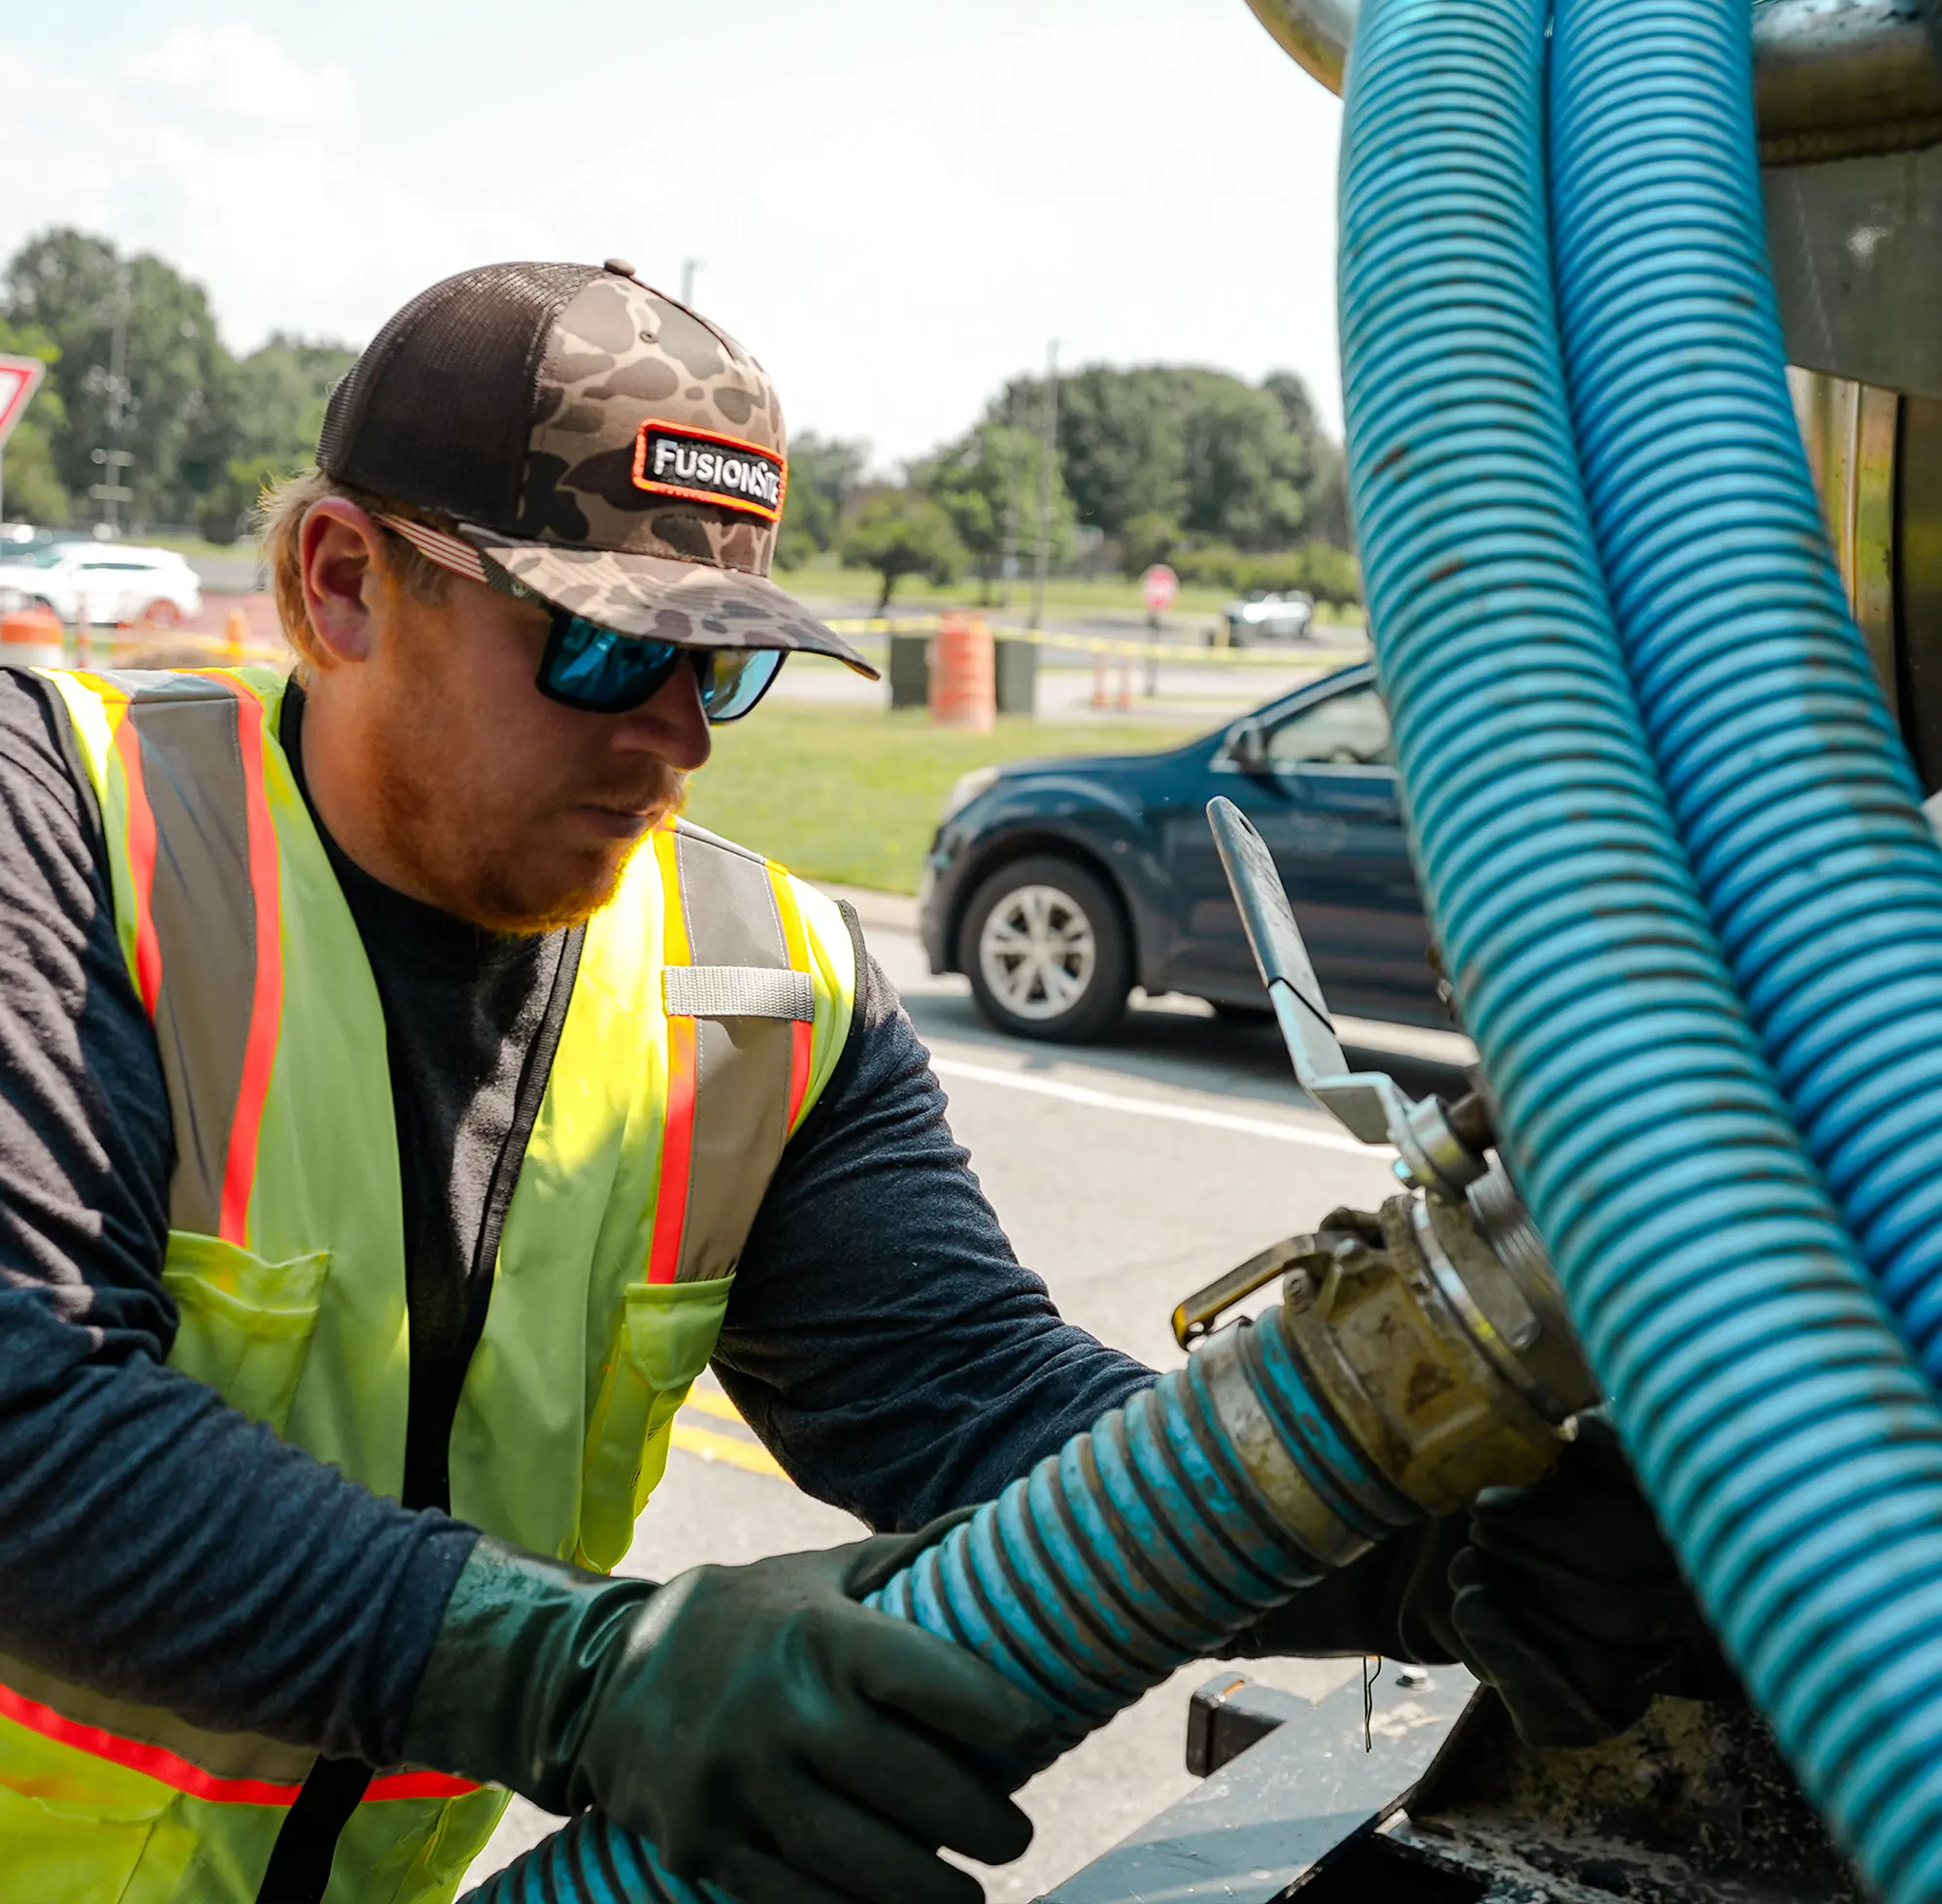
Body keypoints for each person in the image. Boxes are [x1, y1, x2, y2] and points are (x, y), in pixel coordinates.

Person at [0, 260, 1701, 1904]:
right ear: (343, 581)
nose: (679, 735)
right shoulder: (72, 830)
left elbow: (972, 1406)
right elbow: (28, 1424)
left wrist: (1408, 1547)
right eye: (604, 647)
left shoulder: (761, 981)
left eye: (724, 664)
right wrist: (578, 1677)